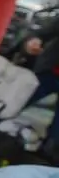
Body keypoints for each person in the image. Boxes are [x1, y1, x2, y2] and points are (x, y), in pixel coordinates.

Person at [19, 17, 59, 161]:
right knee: (11, 104)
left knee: (56, 134)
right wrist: (34, 41)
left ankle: (44, 159)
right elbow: (42, 33)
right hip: (49, 72)